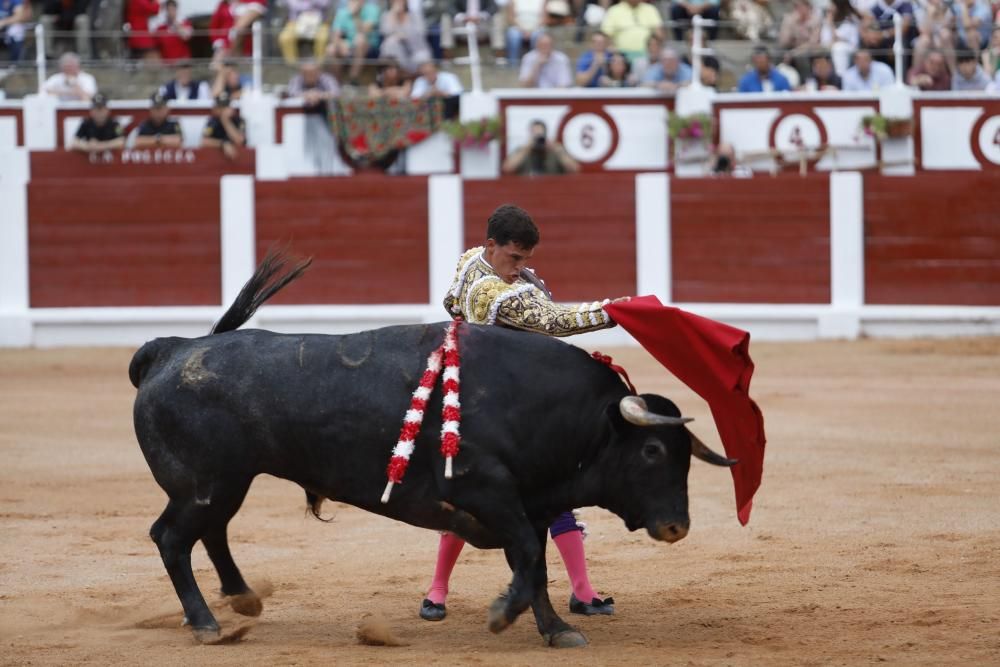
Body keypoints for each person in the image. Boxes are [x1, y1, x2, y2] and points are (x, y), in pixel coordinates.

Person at [419, 203, 624, 622]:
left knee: (553, 492)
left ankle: (582, 591)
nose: (519, 268)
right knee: (469, 499)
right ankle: (437, 589)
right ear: (491, 245)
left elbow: (448, 300)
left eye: (526, 260)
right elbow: (552, 320)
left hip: (521, 406)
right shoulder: (490, 291)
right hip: (489, 411)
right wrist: (615, 311)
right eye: (514, 258)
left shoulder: (470, 260)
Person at [329, 0, 381, 84]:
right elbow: (335, 35)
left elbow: (365, 31)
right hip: (349, 45)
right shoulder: (342, 11)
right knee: (331, 49)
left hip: (370, 46)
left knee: (360, 40)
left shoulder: (372, 9)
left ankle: (353, 80)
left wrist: (355, 15)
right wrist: (340, 45)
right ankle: (336, 83)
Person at [502, 120, 580, 175]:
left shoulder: (555, 150)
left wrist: (558, 150)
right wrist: (526, 148)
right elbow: (507, 168)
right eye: (535, 134)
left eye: (540, 135)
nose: (537, 138)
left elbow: (574, 169)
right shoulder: (522, 150)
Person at [378, 0, 432, 73]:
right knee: (390, 43)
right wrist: (393, 14)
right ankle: (397, 73)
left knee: (421, 57)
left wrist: (405, 36)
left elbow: (421, 33)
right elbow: (385, 32)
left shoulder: (415, 15)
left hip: (416, 49)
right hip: (397, 52)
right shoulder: (387, 16)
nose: (398, 2)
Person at [201, 91, 246, 159]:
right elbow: (204, 141)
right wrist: (223, 144)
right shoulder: (213, 121)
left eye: (226, 106)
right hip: (214, 162)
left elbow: (239, 140)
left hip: (238, 162)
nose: (223, 110)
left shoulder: (239, 120)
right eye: (221, 107)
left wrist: (225, 121)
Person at [505, 0, 546, 65]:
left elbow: (544, 18)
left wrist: (531, 30)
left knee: (536, 36)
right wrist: (523, 30)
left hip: (536, 28)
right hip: (518, 28)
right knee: (513, 36)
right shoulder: (513, 1)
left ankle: (534, 64)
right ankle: (512, 63)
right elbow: (510, 18)